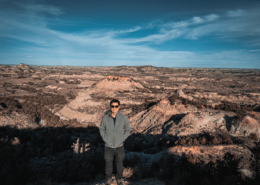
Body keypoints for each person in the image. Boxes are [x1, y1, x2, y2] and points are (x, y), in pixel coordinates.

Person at [99, 99, 131, 185]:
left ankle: (119, 179)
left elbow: (128, 129)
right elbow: (101, 128)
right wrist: (104, 138)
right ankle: (108, 179)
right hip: (108, 145)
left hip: (119, 145)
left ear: (119, 107)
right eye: (112, 106)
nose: (114, 108)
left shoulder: (123, 118)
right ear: (110, 107)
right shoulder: (105, 118)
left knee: (119, 163)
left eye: (116, 106)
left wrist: (122, 138)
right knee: (108, 163)